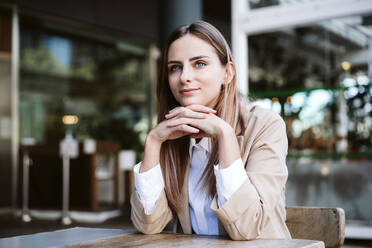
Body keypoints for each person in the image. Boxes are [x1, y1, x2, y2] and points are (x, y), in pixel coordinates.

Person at [130, 20, 291, 240]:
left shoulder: (264, 125)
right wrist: (153, 142)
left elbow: (247, 227)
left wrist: (224, 135)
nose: (184, 76)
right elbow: (149, 225)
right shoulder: (171, 134)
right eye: (175, 67)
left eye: (199, 64)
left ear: (228, 73)